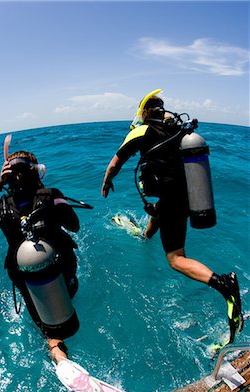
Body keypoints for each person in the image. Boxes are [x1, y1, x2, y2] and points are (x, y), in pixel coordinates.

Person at [101, 92, 243, 344]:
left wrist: (106, 181)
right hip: (189, 194)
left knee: (176, 259)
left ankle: (224, 285)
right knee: (159, 210)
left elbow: (115, 163)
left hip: (173, 200)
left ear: (144, 112)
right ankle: (145, 236)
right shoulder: (177, 129)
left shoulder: (142, 130)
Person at [0, 137, 81, 363]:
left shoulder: (1, 207)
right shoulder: (52, 195)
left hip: (27, 275)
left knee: (49, 328)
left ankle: (59, 355)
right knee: (66, 295)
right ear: (36, 172)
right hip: (62, 264)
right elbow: (74, 226)